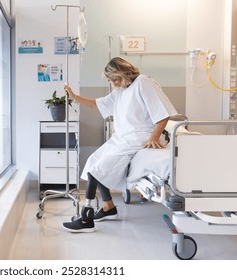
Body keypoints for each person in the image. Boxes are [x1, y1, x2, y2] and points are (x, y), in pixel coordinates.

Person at [62, 57, 178, 233]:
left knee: (98, 169)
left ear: (123, 72)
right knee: (94, 160)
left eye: (114, 78)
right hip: (122, 137)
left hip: (139, 136)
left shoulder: (143, 82)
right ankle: (109, 207)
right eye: (110, 80)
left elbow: (163, 113)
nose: (113, 83)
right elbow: (97, 104)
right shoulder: (120, 90)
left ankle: (86, 219)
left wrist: (154, 136)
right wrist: (74, 96)